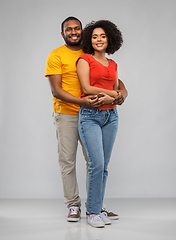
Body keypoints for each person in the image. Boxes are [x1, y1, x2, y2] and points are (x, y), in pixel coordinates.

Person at [45, 17, 127, 222]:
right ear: (62, 33)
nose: (73, 32)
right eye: (68, 30)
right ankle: (73, 205)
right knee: (68, 161)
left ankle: (96, 204)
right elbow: (56, 90)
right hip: (67, 113)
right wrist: (84, 102)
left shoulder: (90, 51)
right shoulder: (56, 55)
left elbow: (111, 77)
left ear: (83, 31)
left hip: (95, 112)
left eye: (77, 29)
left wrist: (122, 93)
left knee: (96, 162)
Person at [76, 20, 127, 228]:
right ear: (90, 39)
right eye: (95, 36)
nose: (98, 39)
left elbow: (118, 91)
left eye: (103, 36)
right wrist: (114, 94)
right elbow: (87, 88)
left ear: (109, 40)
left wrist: (120, 95)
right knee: (96, 164)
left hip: (111, 118)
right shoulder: (84, 59)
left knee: (103, 166)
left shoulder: (113, 64)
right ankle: (93, 212)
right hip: (90, 116)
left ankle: (97, 206)